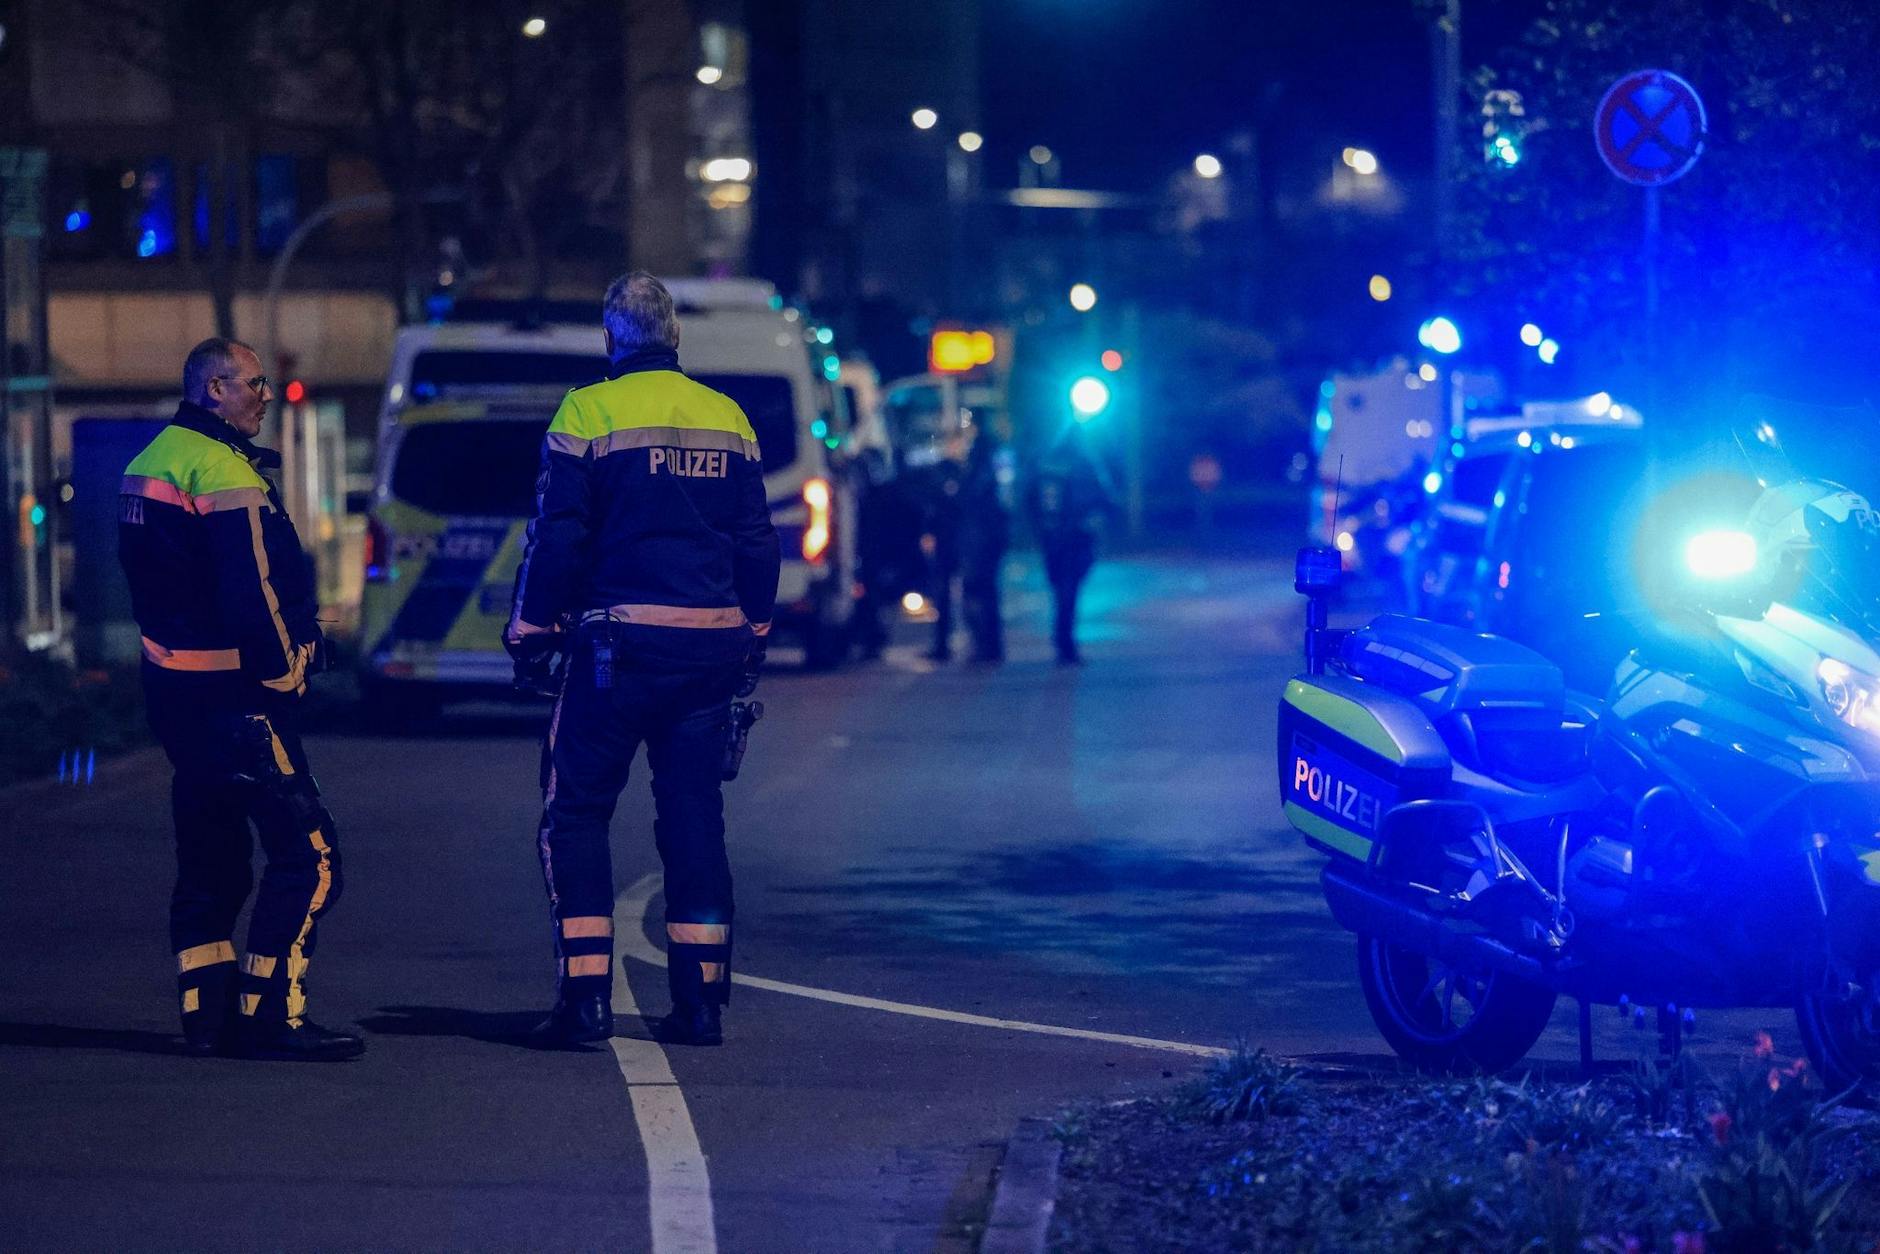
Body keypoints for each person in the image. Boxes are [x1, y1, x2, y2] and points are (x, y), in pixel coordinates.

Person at [506, 272, 780, 1049]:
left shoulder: (587, 412)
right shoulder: (727, 417)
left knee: (576, 813)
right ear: (676, 336)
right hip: (710, 652)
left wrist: (530, 629)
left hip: (615, 651)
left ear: (609, 339)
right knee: (694, 819)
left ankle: (585, 1000)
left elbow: (558, 537)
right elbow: (757, 543)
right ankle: (701, 1004)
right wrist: (754, 633)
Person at [118, 338, 359, 1061]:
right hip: (237, 696)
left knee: (211, 858)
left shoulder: (150, 461)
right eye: (253, 383)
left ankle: (208, 1017)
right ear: (214, 388)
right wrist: (290, 673)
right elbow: (252, 596)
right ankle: (272, 1015)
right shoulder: (223, 471)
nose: (264, 395)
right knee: (311, 857)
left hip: (175, 694)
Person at [1025, 423, 1117, 665]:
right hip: (1075, 539)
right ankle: (1065, 643)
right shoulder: (1084, 464)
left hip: (1051, 538)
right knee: (1069, 592)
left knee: (1060, 590)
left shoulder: (1045, 464)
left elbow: (1029, 498)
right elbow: (1104, 499)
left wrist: (1039, 530)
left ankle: (1062, 640)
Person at [957, 422, 1011, 664]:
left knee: (978, 593)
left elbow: (970, 504)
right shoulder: (993, 473)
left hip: (980, 543)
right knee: (985, 593)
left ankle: (985, 645)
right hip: (985, 542)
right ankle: (988, 645)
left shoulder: (980, 475)